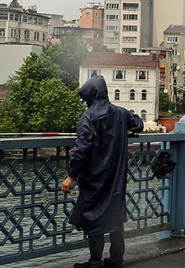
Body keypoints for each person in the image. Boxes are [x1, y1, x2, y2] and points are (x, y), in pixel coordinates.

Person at [61, 75, 144, 268]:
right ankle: (116, 259)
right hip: (116, 175)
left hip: (94, 176)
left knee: (93, 216)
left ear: (90, 95)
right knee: (115, 214)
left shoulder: (88, 117)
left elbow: (82, 150)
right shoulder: (120, 113)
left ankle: (95, 262)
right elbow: (138, 123)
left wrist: (71, 176)